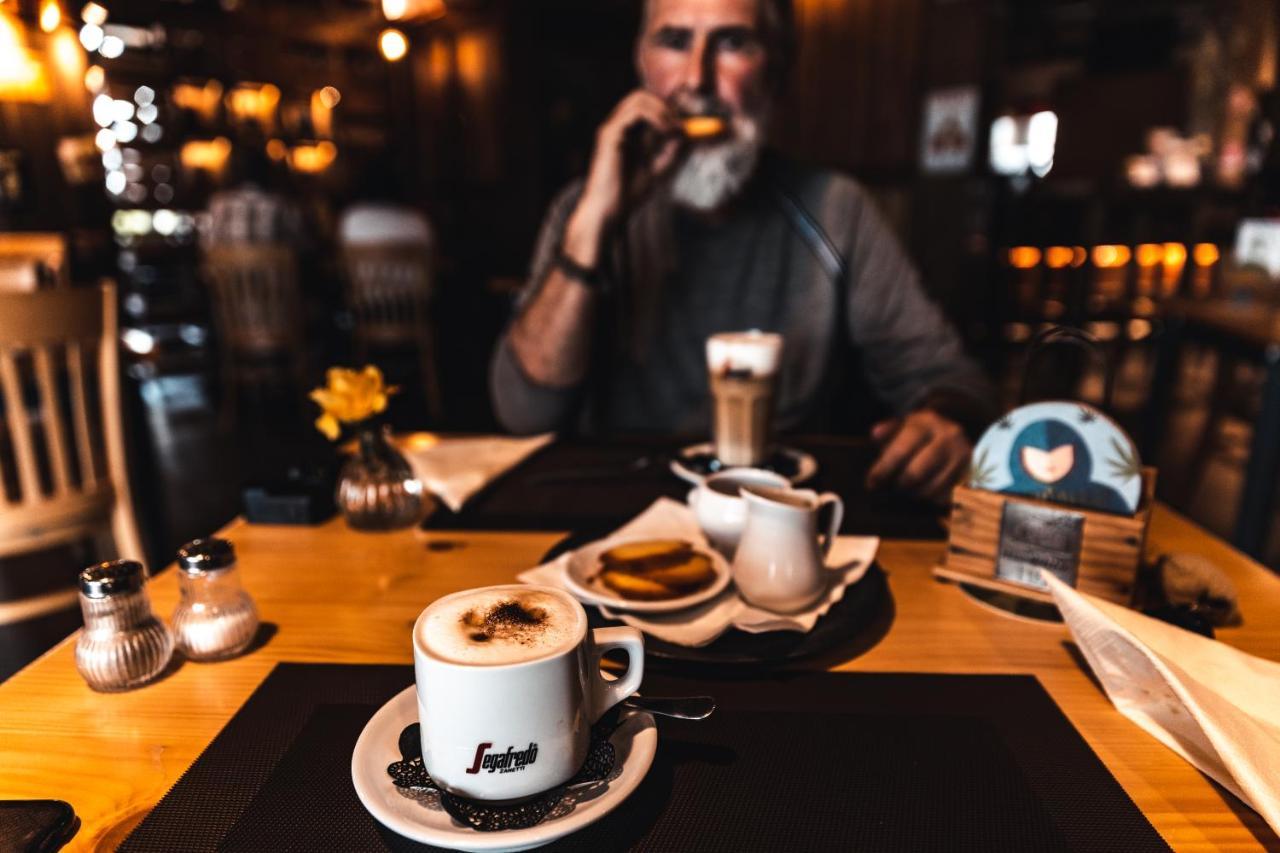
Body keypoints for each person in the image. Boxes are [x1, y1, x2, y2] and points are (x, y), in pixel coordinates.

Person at [489, 0, 995, 502]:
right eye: (674, 41)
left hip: (777, 510)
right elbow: (523, 413)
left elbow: (948, 376)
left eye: (731, 43)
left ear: (773, 71)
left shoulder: (835, 207)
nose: (697, 80)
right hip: (614, 511)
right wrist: (593, 224)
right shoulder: (584, 207)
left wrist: (942, 421)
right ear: (642, 63)